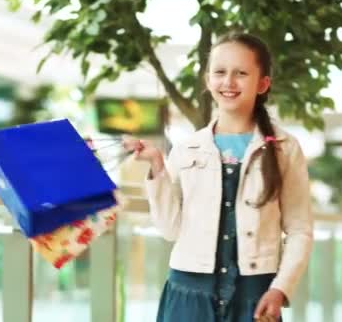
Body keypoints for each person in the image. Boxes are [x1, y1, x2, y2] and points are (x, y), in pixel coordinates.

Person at [123, 31, 313, 321]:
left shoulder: (285, 148)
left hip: (257, 296)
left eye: (241, 73)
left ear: (263, 83)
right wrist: (157, 167)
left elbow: (300, 230)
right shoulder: (187, 148)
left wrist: (280, 289)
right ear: (208, 79)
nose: (228, 82)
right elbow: (170, 230)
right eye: (220, 72)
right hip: (187, 295)